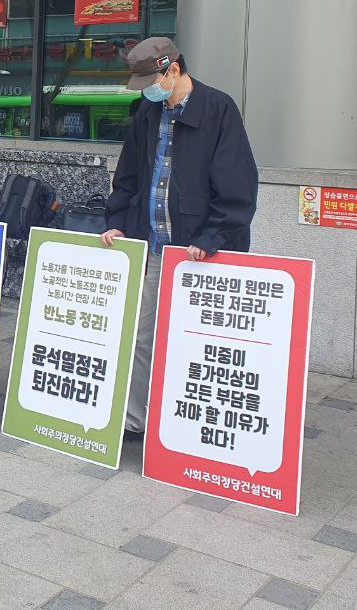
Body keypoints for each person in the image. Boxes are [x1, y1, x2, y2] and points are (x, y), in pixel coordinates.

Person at [100, 36, 258, 438]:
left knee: (201, 342)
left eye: (152, 82)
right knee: (142, 335)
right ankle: (134, 421)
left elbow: (238, 183)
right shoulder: (147, 113)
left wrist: (212, 237)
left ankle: (192, 425)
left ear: (173, 70)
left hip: (202, 252)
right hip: (155, 247)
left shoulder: (218, 108)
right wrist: (118, 220)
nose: (148, 92)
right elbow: (129, 175)